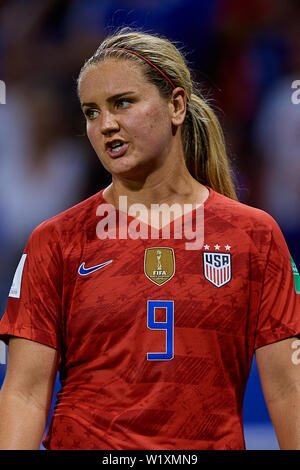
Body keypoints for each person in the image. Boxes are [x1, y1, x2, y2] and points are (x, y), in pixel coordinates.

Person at [0, 27, 299, 451]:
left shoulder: (254, 237)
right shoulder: (55, 241)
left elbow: (289, 387)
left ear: (176, 105)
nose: (106, 125)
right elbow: (25, 392)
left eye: (122, 103)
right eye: (91, 112)